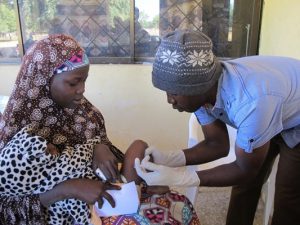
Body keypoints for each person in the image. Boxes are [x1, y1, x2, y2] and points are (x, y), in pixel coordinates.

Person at [0, 34, 200, 225]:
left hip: (105, 196)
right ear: (43, 79)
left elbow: (112, 166)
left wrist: (100, 147)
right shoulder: (14, 127)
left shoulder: (85, 114)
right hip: (60, 214)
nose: (82, 90)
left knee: (174, 206)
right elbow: (6, 208)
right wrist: (69, 189)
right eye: (73, 82)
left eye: (84, 80)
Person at [135, 29, 300, 225]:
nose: (170, 100)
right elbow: (217, 145)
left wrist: (181, 177)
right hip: (277, 100)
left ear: (198, 88)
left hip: (295, 117)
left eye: (174, 93)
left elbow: (244, 169)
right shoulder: (202, 89)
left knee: (287, 195)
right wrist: (171, 158)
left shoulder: (250, 102)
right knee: (244, 185)